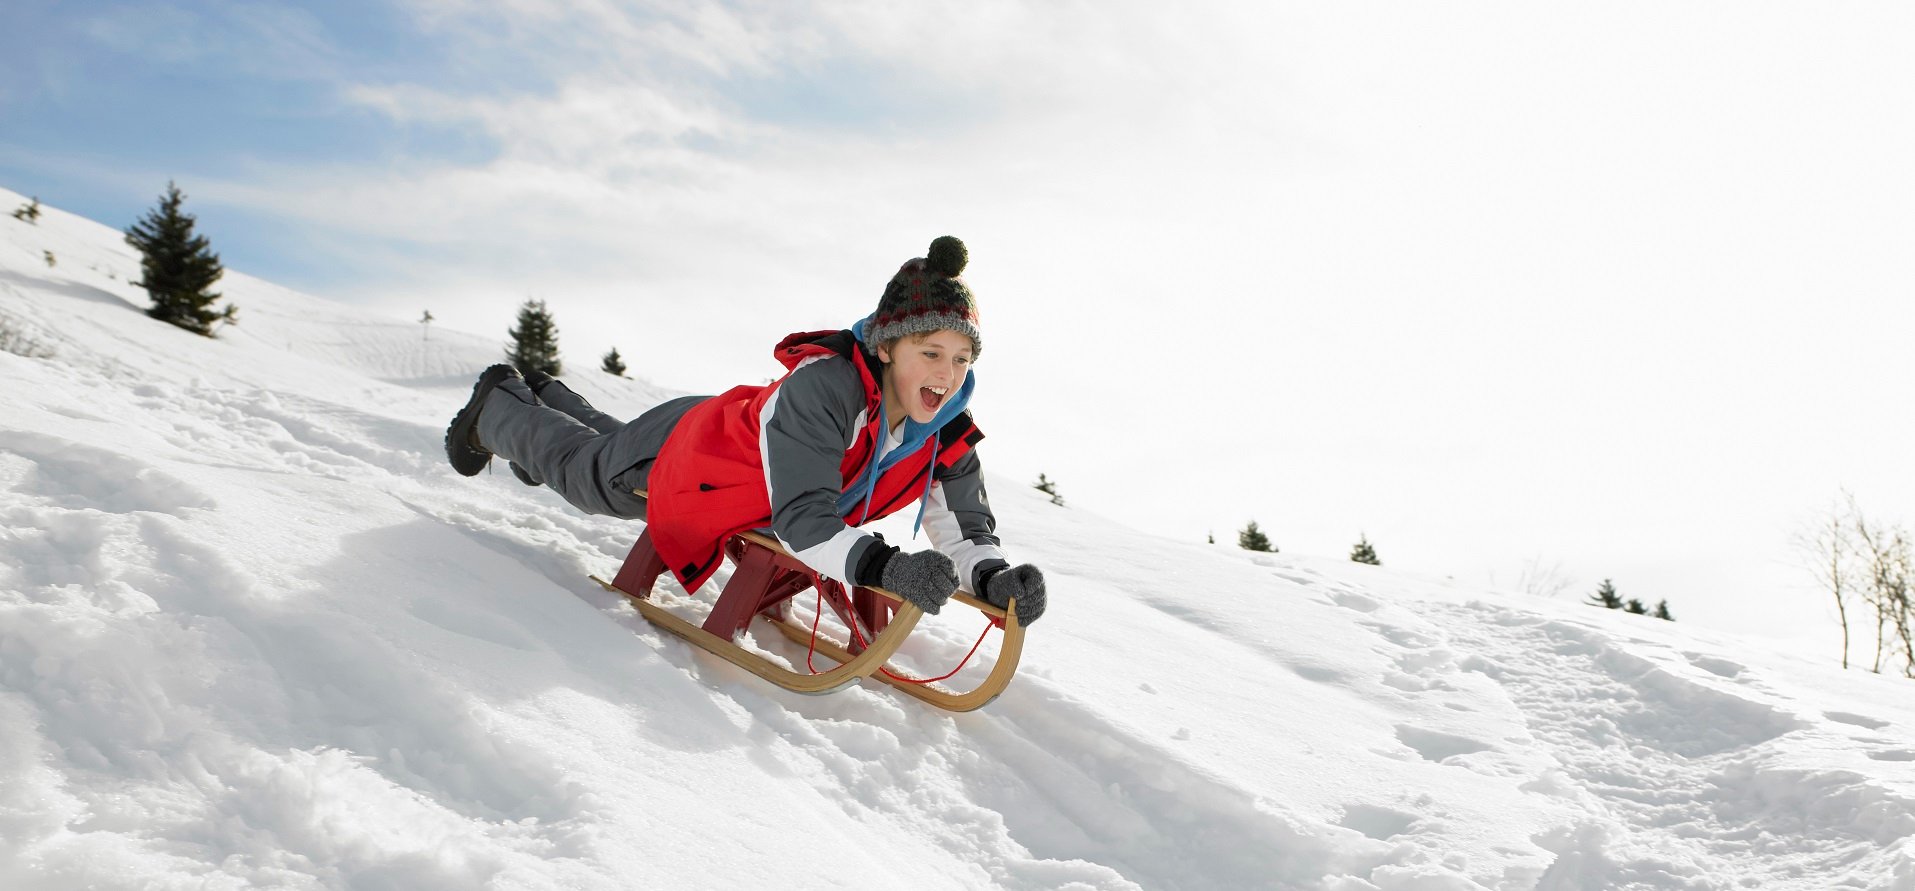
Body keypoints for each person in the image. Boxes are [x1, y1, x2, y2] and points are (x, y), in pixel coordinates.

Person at [444, 236, 1046, 624]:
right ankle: (497, 408)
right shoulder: (826, 389)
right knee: (587, 476)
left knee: (602, 452)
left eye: (962, 359)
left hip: (739, 461)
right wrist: (886, 569)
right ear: (887, 347)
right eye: (931, 351)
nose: (947, 374)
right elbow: (805, 522)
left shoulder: (946, 430)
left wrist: (994, 579)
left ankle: (549, 397)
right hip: (694, 454)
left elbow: (963, 524)